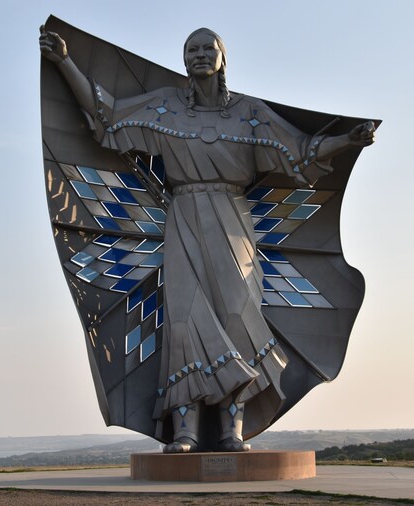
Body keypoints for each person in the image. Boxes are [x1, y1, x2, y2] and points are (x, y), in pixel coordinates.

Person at [40, 26, 375, 453]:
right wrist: (65, 62)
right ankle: (186, 431)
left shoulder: (249, 114)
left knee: (237, 318)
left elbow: (300, 150)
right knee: (184, 322)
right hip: (182, 218)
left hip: (233, 220)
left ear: (222, 57)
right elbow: (108, 119)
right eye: (191, 49)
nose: (200, 55)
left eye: (207, 49)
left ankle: (231, 430)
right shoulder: (165, 108)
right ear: (184, 60)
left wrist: (347, 140)